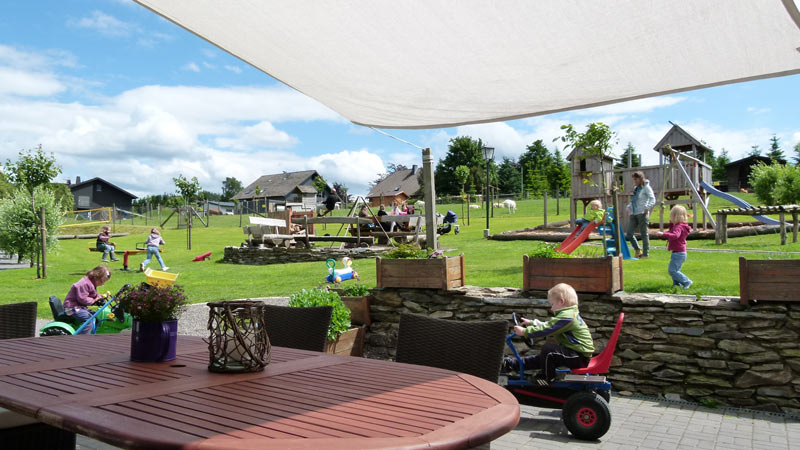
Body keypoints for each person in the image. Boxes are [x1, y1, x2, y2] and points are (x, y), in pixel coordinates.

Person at [502, 283, 594, 383]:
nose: (551, 308)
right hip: (575, 354)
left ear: (562, 301)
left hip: (579, 357)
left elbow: (548, 328)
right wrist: (533, 323)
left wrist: (525, 331)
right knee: (543, 358)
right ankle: (512, 364)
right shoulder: (569, 314)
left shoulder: (567, 316)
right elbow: (551, 325)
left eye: (552, 304)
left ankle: (547, 378)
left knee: (549, 350)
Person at [63, 265, 111, 334]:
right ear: (95, 277)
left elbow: (93, 294)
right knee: (89, 320)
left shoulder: (91, 283)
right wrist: (94, 300)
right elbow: (83, 299)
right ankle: (82, 339)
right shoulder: (84, 283)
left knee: (96, 316)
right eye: (101, 281)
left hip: (80, 307)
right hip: (72, 308)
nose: (102, 284)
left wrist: (100, 296)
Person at [656, 205, 692, 289]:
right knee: (676, 270)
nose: (670, 217)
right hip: (679, 253)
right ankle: (676, 285)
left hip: (678, 253)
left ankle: (686, 281)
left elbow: (675, 235)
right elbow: (671, 231)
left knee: (672, 270)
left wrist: (663, 234)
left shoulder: (678, 227)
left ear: (675, 216)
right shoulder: (680, 226)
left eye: (671, 215)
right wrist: (671, 224)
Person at [626, 171, 655, 259]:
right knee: (629, 233)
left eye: (636, 179)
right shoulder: (636, 188)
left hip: (642, 213)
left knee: (644, 234)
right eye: (633, 179)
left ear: (641, 178)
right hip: (634, 213)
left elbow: (652, 199)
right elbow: (634, 200)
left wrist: (647, 207)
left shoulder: (646, 187)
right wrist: (628, 207)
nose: (634, 180)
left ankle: (645, 254)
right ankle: (638, 250)